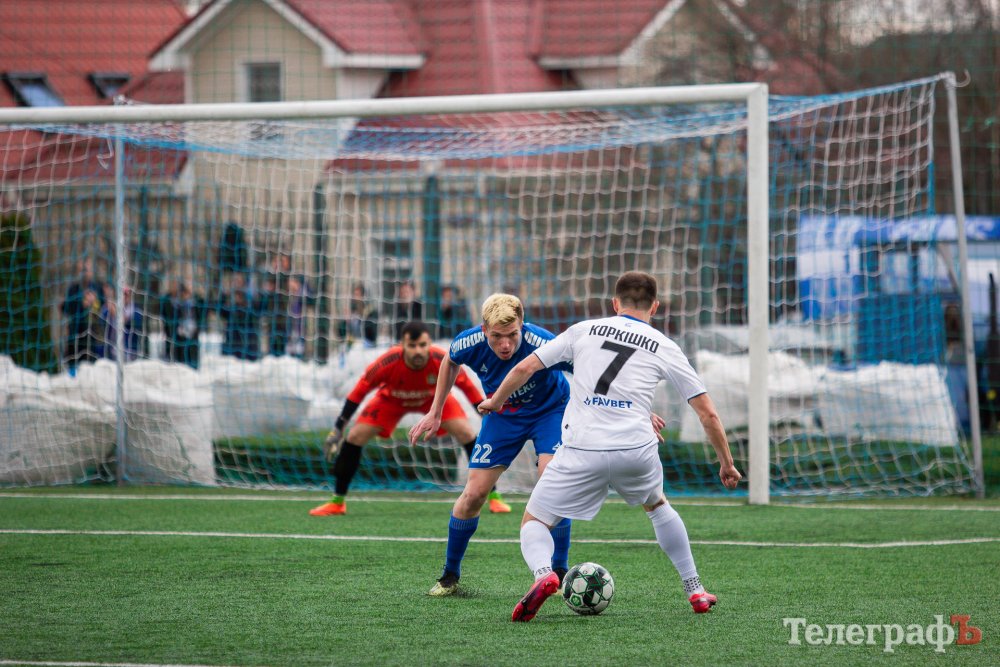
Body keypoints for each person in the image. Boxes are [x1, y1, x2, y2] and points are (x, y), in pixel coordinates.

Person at [477, 272, 742, 622]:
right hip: (635, 448)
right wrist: (726, 463)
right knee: (658, 506)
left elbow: (526, 367)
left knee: (535, 521)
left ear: (615, 304)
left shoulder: (584, 330)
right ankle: (695, 589)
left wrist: (496, 401)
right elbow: (707, 413)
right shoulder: (664, 345)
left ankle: (543, 574)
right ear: (655, 307)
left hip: (582, 448)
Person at [408, 293, 575, 598]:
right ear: (484, 329)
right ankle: (450, 575)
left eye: (512, 335)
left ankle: (560, 571)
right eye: (497, 336)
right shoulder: (468, 342)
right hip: (502, 415)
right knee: (473, 494)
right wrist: (436, 411)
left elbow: (589, 370)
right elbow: (450, 361)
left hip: (550, 412)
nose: (506, 345)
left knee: (553, 481)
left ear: (522, 325)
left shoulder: (543, 342)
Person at [309, 320, 511, 516]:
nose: (418, 351)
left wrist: (492, 421)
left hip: (434, 400)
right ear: (402, 345)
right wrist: (338, 429)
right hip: (392, 400)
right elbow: (358, 393)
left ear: (429, 343)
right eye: (412, 346)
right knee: (355, 436)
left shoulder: (442, 360)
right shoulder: (387, 362)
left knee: (466, 432)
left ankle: (494, 496)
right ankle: (337, 502)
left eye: (422, 345)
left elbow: (468, 389)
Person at [61, 258, 103, 373]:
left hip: (93, 338)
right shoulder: (73, 289)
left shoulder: (97, 288)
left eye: (87, 269)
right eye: (82, 270)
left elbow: (103, 308)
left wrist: (94, 302)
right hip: (75, 336)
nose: (85, 273)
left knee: (91, 370)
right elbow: (66, 308)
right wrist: (82, 304)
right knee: (73, 368)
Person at [161, 279, 207, 369]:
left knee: (192, 364)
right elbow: (166, 312)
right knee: (179, 365)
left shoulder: (196, 305)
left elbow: (204, 307)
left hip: (192, 340)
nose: (185, 296)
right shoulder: (173, 305)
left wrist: (198, 293)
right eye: (182, 293)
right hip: (177, 341)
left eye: (187, 293)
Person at [219, 272, 264, 361]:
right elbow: (221, 312)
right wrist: (224, 295)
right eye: (235, 281)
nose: (237, 284)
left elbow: (259, 311)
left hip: (249, 347)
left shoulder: (251, 301)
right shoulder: (228, 302)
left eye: (239, 281)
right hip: (232, 346)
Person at [99, 284, 145, 361]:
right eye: (123, 294)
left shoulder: (137, 310)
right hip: (112, 352)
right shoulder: (109, 309)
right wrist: (108, 304)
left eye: (127, 294)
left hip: (131, 353)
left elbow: (131, 323)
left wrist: (116, 314)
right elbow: (102, 322)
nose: (125, 296)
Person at [338, 282, 378, 346]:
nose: (356, 298)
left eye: (358, 295)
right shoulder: (352, 313)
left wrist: (363, 318)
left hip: (368, 345)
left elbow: (372, 334)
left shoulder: (372, 312)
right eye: (355, 295)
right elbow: (341, 334)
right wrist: (346, 322)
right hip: (354, 345)